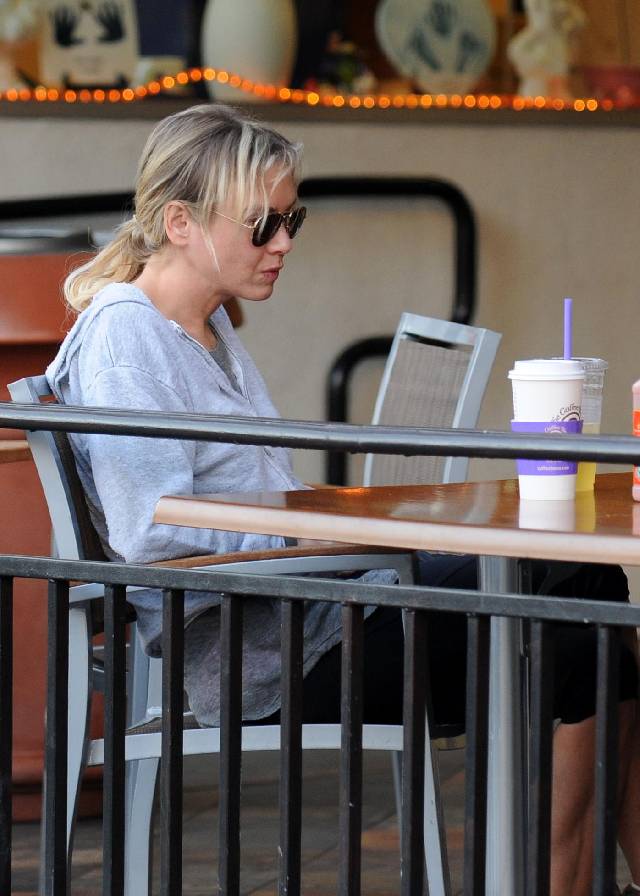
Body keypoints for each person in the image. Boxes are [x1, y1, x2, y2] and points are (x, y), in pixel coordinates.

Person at [46, 103, 639, 895]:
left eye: (293, 218)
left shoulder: (209, 330)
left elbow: (258, 500)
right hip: (273, 655)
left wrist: (326, 526)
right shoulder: (130, 336)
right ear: (180, 221)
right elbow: (147, 532)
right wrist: (310, 539)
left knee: (593, 606)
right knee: (586, 631)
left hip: (321, 609)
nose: (284, 241)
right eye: (262, 224)